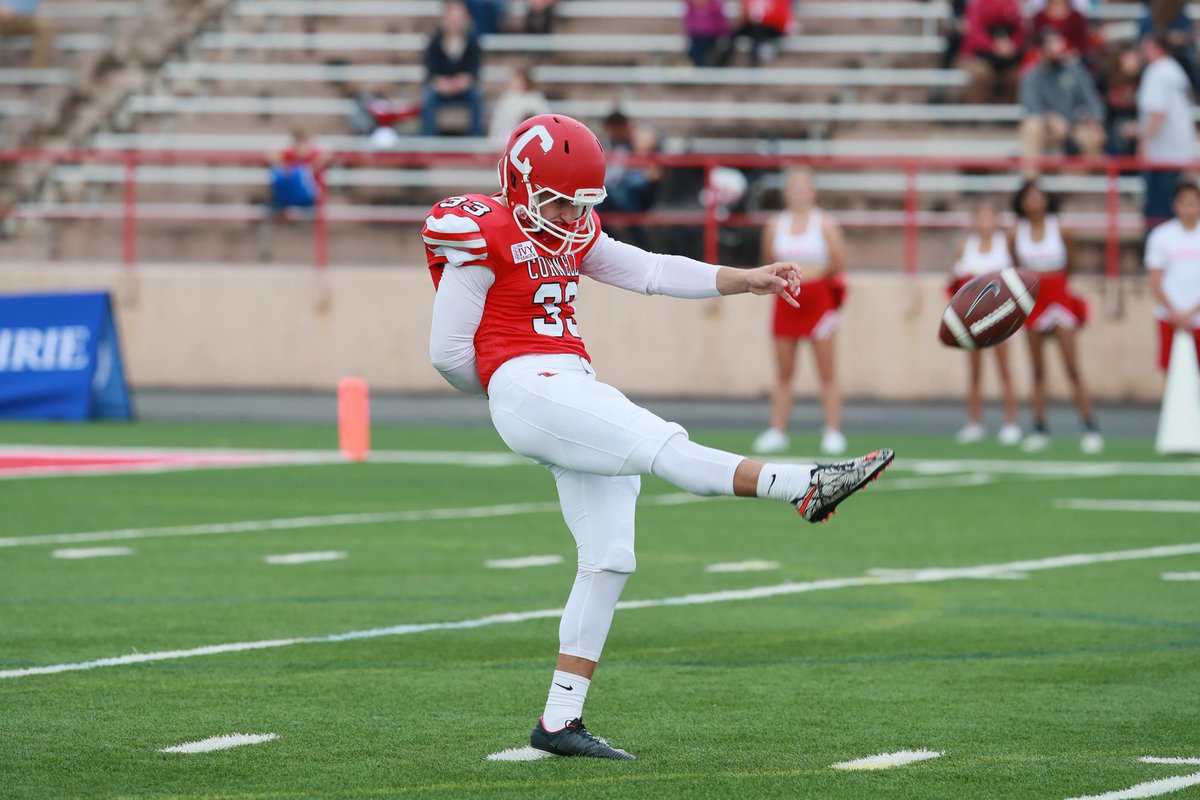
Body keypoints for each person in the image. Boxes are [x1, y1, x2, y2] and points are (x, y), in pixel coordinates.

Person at [423, 114, 894, 760]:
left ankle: (559, 721)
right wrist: (515, 390)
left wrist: (742, 278)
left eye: (579, 203)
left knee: (610, 556)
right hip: (529, 383)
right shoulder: (483, 230)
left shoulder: (573, 228)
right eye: (557, 200)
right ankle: (805, 485)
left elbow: (649, 270)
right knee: (664, 445)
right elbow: (448, 353)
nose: (567, 215)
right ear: (520, 181)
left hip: (567, 382)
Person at [751, 168, 849, 456]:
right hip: (786, 300)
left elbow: (838, 260)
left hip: (818, 300)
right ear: (787, 193)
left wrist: (811, 275)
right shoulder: (775, 225)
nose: (799, 194)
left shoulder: (825, 224)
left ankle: (833, 430)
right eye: (795, 188)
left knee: (826, 370)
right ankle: (777, 430)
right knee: (783, 370)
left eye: (804, 188)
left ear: (812, 191)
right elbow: (769, 261)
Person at [1008, 180, 1103, 453]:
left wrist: (1058, 286)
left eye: (1039, 197)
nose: (1034, 202)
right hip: (1033, 299)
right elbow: (1016, 266)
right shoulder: (1016, 233)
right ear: (1022, 202)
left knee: (1071, 365)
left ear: (1047, 200)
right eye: (1029, 197)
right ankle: (1039, 427)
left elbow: (1069, 263)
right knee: (1037, 369)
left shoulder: (1059, 229)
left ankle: (1089, 425)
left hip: (1058, 296)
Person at [947, 200, 1023, 445]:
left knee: (1004, 369)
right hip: (973, 320)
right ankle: (974, 423)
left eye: (989, 217)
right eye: (980, 217)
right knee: (974, 372)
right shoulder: (965, 247)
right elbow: (957, 285)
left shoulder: (1005, 245)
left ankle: (1011, 424)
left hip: (1000, 317)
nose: (985, 223)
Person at [1018, 29, 1106, 169]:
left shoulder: (1075, 70)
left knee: (1092, 136)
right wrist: (1050, 118)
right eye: (1052, 44)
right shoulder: (1031, 75)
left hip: (1074, 125)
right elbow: (1031, 107)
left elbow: (1093, 101)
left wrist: (1095, 120)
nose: (1058, 47)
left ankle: (1076, 185)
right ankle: (1031, 184)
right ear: (1041, 50)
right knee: (1031, 126)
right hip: (1046, 128)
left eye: (1059, 43)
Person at [1138, 33, 1196, 232]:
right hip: (1180, 154)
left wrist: (1143, 144)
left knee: (1157, 216)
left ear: (1155, 47)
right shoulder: (1175, 70)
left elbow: (1157, 114)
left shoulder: (1156, 71)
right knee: (1172, 212)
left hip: (1161, 157)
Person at [1145, 179, 1200, 373]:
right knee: (1172, 371)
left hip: (1198, 316)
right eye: (1184, 202)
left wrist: (1192, 312)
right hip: (1168, 315)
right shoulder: (1161, 236)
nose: (1189, 208)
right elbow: (1155, 279)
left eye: (1193, 202)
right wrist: (1175, 314)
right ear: (1175, 205)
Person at [422, 0, 485, 138]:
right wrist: (442, 83)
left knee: (476, 95)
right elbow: (431, 72)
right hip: (441, 89)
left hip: (463, 89)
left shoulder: (472, 41)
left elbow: (473, 72)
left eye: (458, 18)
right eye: (452, 18)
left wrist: (461, 82)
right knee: (429, 95)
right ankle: (428, 140)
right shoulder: (435, 41)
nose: (455, 22)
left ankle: (476, 139)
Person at [959, 0, 1026, 104]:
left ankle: (1006, 113)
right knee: (981, 74)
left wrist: (1011, 45)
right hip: (977, 56)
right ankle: (979, 114)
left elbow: (1019, 32)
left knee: (1017, 75)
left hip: (1006, 58)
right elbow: (975, 33)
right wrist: (994, 46)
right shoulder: (978, 5)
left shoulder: (1012, 5)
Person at [487, 63, 549, 147]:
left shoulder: (535, 98)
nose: (513, 82)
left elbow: (542, 118)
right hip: (507, 137)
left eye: (517, 79)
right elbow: (499, 122)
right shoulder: (507, 98)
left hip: (530, 137)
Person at [1098, 44, 1143, 157]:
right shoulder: (1107, 77)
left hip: (1138, 119)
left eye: (1135, 58)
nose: (1133, 62)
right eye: (1129, 58)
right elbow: (1101, 104)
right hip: (1114, 121)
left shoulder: (1144, 79)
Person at [1030, 0, 1094, 65]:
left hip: (1071, 59)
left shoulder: (1077, 17)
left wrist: (1068, 54)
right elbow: (1035, 42)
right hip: (1044, 60)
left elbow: (1082, 45)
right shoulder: (1040, 16)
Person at [0, 0, 53, 68]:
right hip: (4, 21)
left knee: (46, 28)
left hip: (24, 19)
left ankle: (36, 67)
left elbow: (31, 7)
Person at [683, 0, 731, 67]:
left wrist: (724, 34)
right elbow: (689, 24)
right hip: (696, 36)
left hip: (711, 35)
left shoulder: (714, 6)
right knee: (696, 51)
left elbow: (720, 23)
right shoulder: (691, 6)